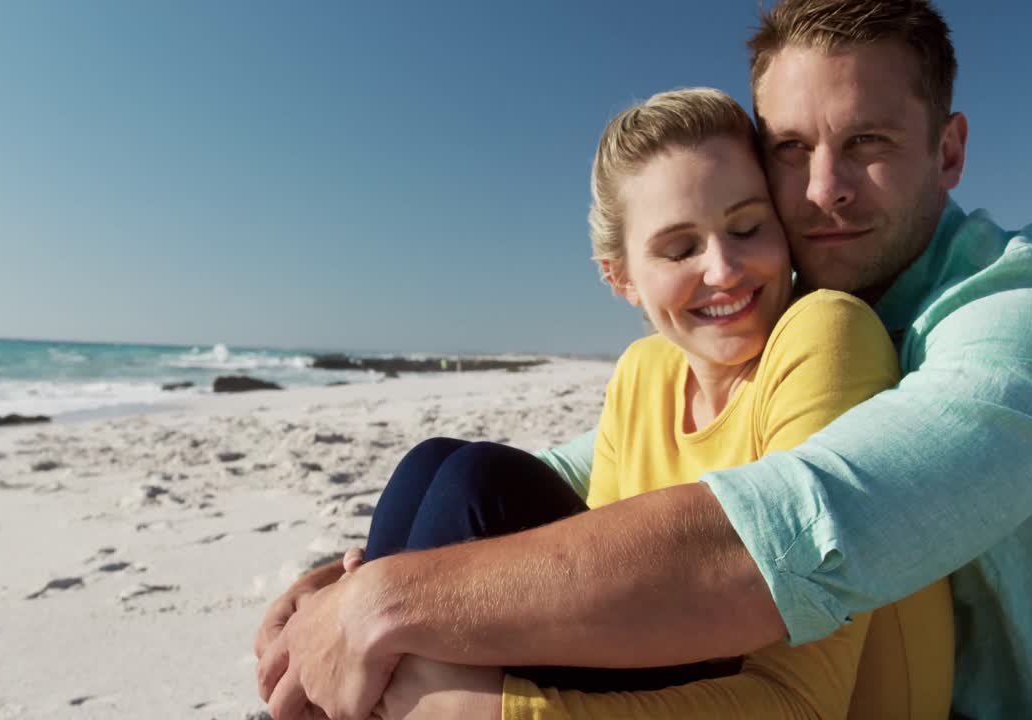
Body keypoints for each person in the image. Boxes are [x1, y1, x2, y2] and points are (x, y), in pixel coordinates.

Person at [255, 1, 1032, 718]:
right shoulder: (807, 307)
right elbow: (582, 463)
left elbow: (797, 532)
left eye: (868, 142)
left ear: (949, 151)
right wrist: (364, 575)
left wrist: (389, 604)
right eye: (791, 150)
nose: (824, 191)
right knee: (457, 478)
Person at [257, 87, 953, 720]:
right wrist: (356, 591)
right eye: (679, 248)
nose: (724, 269)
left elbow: (803, 702)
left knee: (474, 485)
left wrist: (495, 710)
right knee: (435, 464)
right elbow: (589, 575)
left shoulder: (824, 332)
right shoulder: (645, 371)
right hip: (689, 671)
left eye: (747, 228)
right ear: (621, 278)